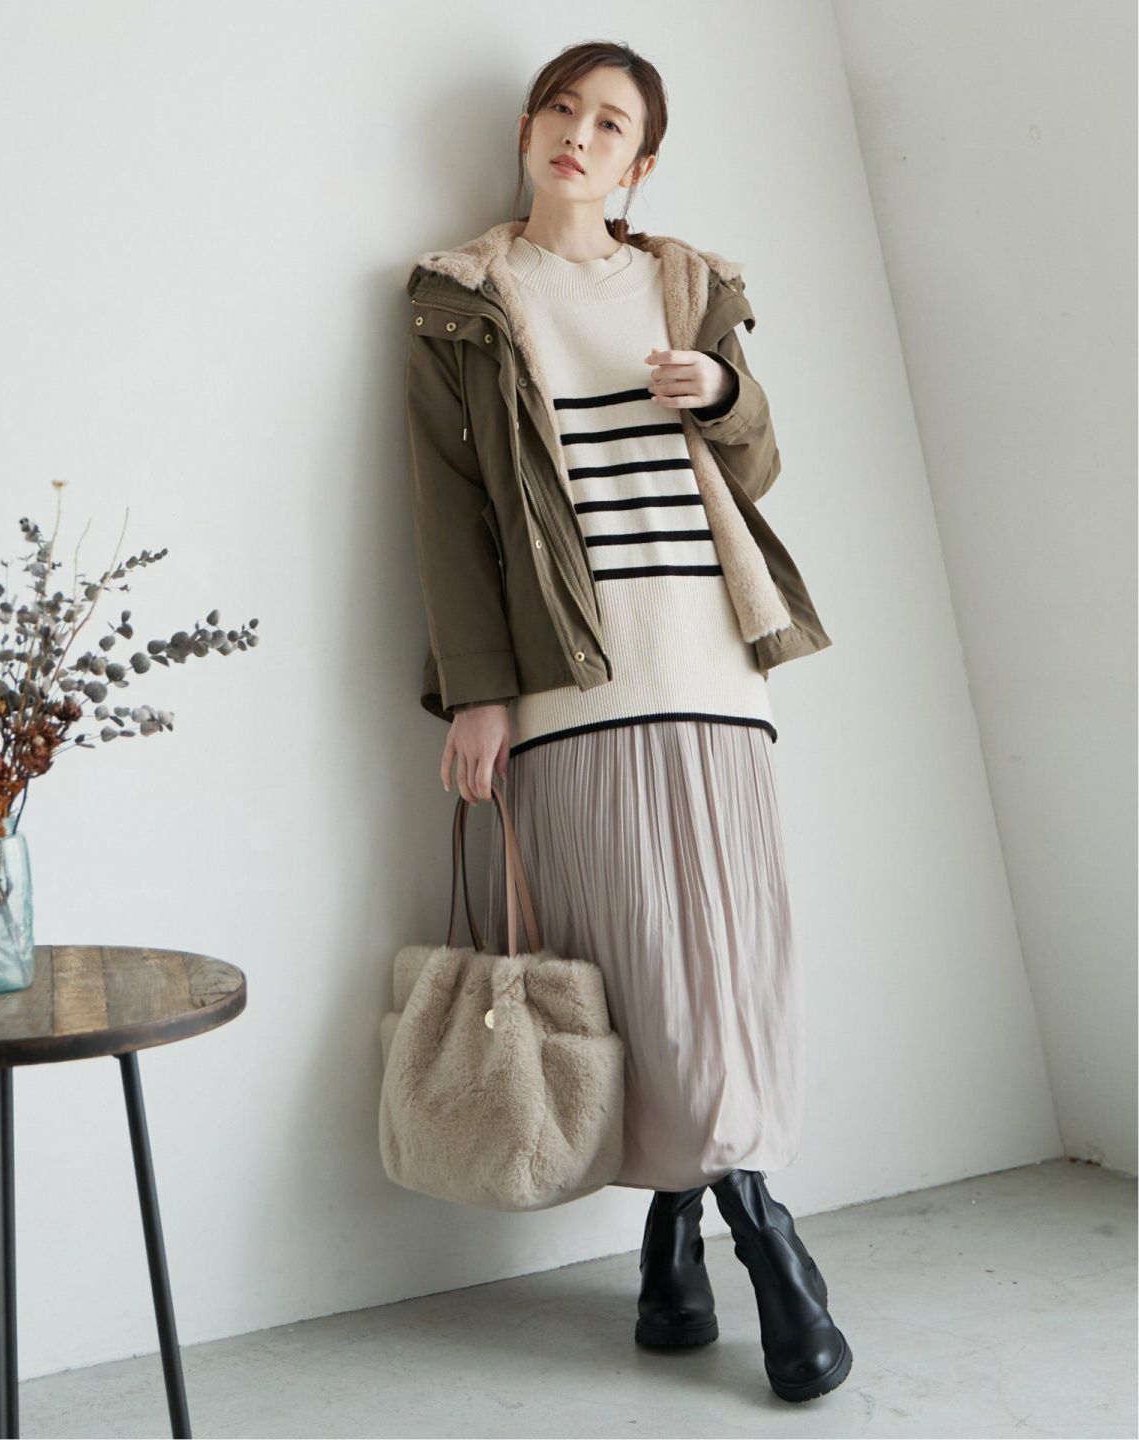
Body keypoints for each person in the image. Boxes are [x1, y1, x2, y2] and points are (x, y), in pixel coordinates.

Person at [402, 39, 850, 1405]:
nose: (580, 136)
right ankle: (762, 1242)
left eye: (611, 125)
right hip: (570, 680)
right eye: (564, 110)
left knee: (725, 964)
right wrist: (479, 689)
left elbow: (758, 459)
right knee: (639, 971)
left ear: (640, 162)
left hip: (708, 657)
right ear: (529, 128)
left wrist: (724, 393)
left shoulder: (688, 284)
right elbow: (449, 515)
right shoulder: (462, 299)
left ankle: (682, 1244)